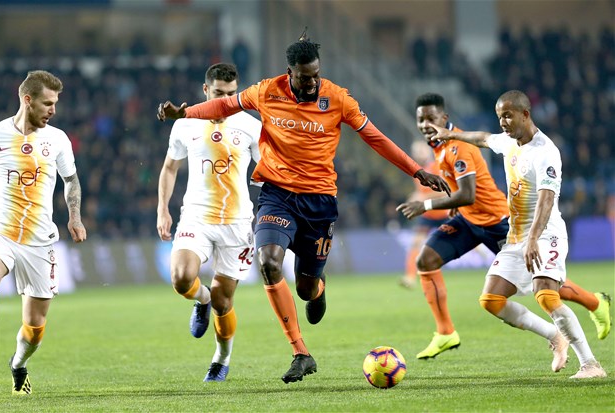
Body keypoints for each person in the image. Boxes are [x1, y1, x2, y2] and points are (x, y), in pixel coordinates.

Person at [158, 32, 451, 383]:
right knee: (269, 263)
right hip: (276, 195)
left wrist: (417, 171)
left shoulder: (338, 98)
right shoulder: (266, 91)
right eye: (305, 76)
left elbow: (375, 137)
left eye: (316, 75)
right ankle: (300, 352)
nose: (312, 82)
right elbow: (224, 106)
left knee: (306, 288)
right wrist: (185, 112)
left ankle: (318, 288)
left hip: (319, 201)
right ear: (290, 72)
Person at [397, 93, 612, 360]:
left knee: (542, 281)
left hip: (497, 221)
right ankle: (445, 332)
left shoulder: (466, 148)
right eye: (421, 119)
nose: (425, 124)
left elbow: (469, 193)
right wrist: (450, 138)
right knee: (427, 260)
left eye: (431, 118)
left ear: (444, 117)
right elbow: (484, 138)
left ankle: (594, 303)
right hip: (469, 219)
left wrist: (426, 205)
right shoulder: (448, 142)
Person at [156, 63, 262, 382]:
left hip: (237, 223)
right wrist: (163, 209)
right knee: (181, 278)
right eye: (218, 93)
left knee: (223, 301)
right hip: (196, 217)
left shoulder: (251, 126)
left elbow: (269, 173)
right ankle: (200, 300)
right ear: (205, 90)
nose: (225, 101)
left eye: (231, 95)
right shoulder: (185, 124)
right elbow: (170, 168)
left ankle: (221, 359)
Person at [0, 70, 87, 395]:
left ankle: (18, 363)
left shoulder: (58, 139)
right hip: (1, 234)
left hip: (39, 242)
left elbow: (71, 180)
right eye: (48, 103)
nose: (53, 110)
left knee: (34, 329)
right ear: (27, 100)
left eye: (55, 103)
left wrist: (75, 217)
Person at [399, 140, 449, 289]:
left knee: (471, 239)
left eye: (421, 150)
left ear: (428, 152)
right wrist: (415, 198)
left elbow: (445, 191)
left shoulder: (437, 167)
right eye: (416, 151)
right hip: (428, 214)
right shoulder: (417, 172)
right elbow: (421, 193)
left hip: (443, 211)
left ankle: (492, 262)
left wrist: (422, 197)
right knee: (415, 243)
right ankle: (410, 277)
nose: (419, 154)